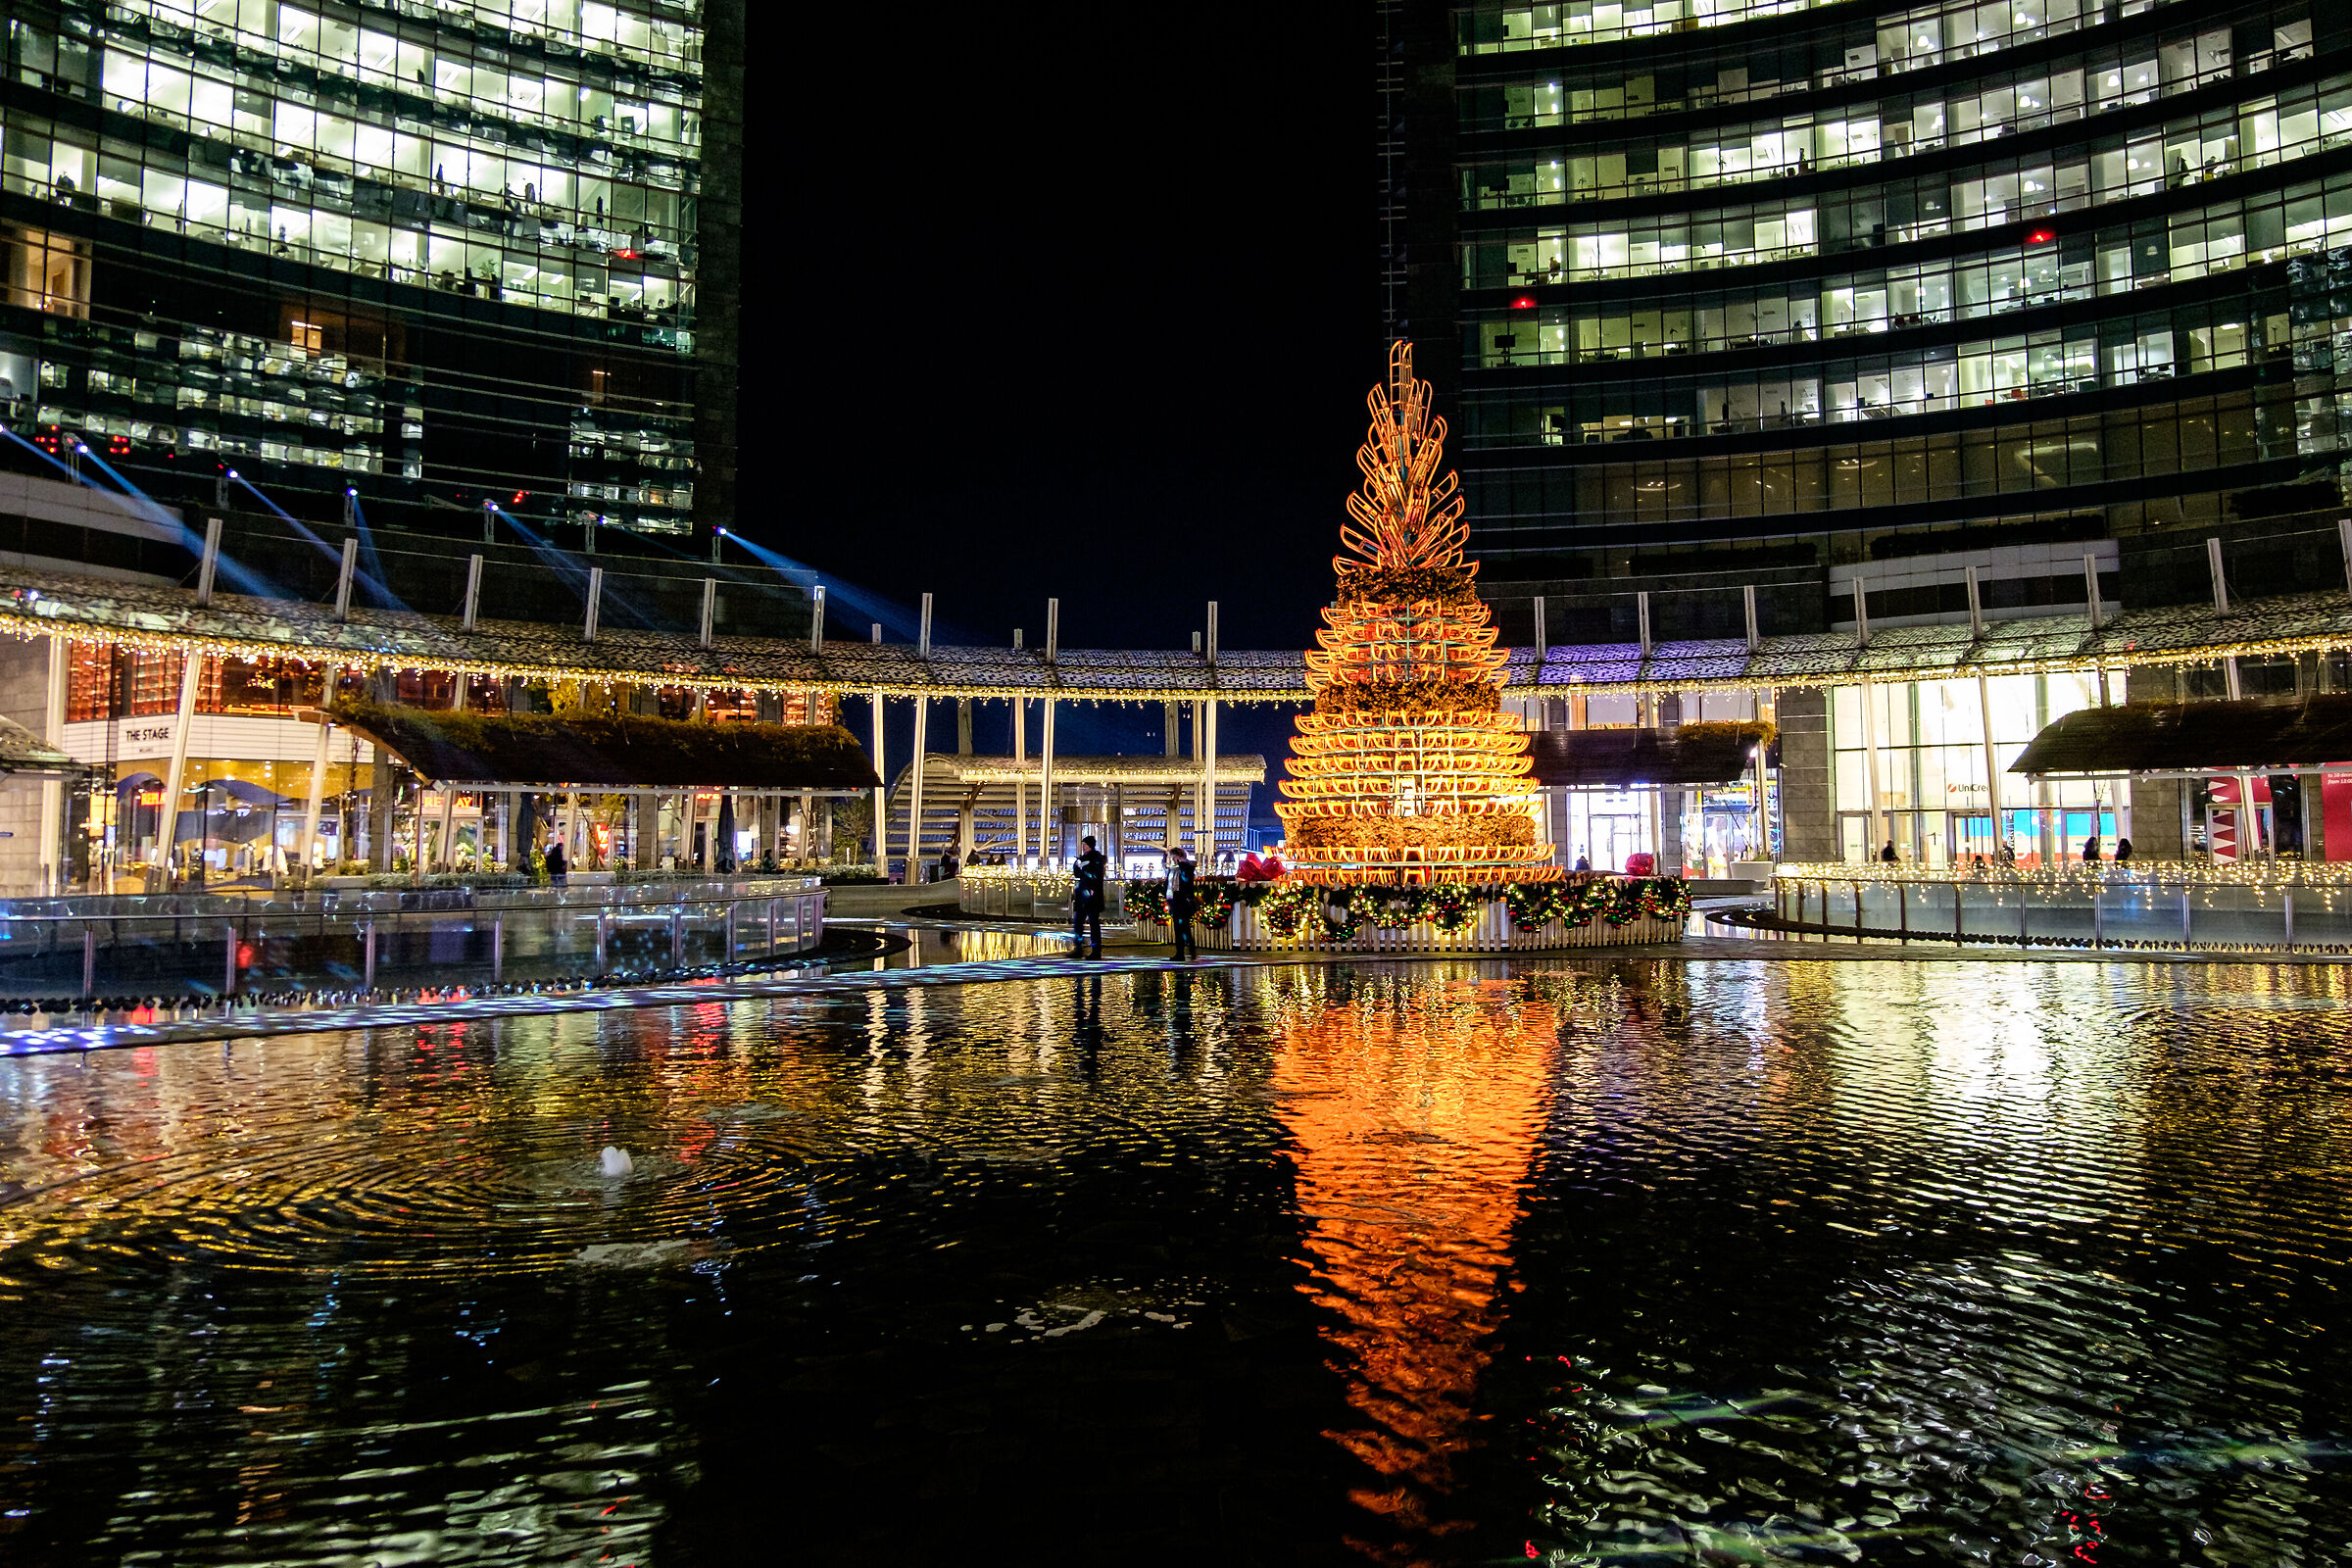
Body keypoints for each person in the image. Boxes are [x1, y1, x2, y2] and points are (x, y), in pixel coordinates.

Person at [1069, 833, 1106, 958]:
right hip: (1084, 896)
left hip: (1091, 896)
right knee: (1079, 922)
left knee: (1093, 923)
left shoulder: (1096, 858)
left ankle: (1095, 951)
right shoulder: (1085, 858)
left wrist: (1083, 868)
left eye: (1085, 845)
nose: (1083, 847)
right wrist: (1077, 865)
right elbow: (1078, 874)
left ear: (1090, 845)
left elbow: (1095, 876)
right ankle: (1079, 948)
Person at [1164, 843, 1198, 960]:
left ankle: (1188, 950)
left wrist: (1182, 864)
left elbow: (1186, 880)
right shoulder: (1172, 870)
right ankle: (1182, 952)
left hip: (1182, 900)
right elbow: (1168, 885)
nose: (1172, 859)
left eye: (1173, 856)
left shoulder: (1186, 867)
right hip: (1174, 900)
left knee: (1183, 927)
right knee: (1179, 928)